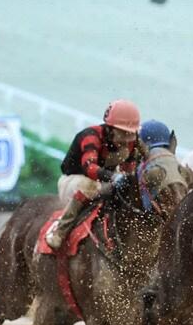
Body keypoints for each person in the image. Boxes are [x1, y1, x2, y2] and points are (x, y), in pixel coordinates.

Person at [48, 100, 145, 250]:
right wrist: (114, 177)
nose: (127, 140)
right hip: (74, 181)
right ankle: (60, 230)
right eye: (123, 133)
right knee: (90, 185)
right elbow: (89, 167)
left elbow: (129, 168)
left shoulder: (132, 141)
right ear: (110, 128)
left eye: (130, 134)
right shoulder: (91, 135)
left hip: (103, 180)